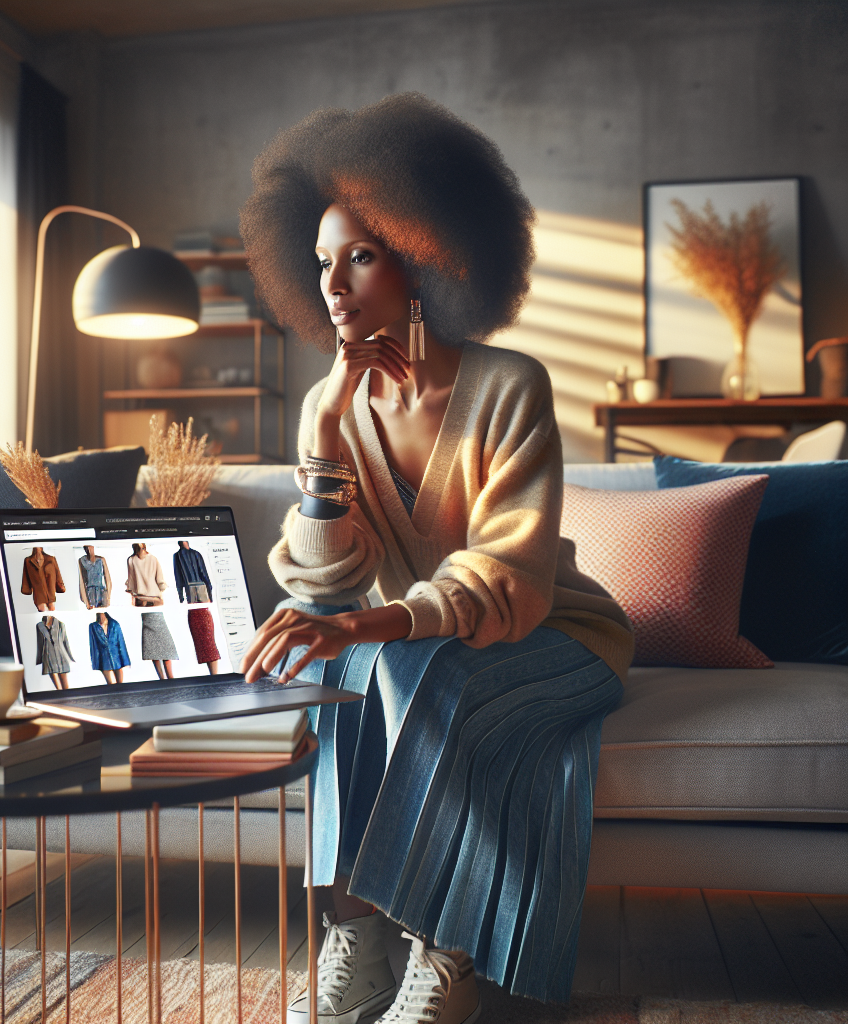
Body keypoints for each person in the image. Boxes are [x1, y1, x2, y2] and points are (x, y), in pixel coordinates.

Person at [238, 94, 634, 1023]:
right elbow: (321, 578)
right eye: (323, 261)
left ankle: (441, 945)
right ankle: (356, 931)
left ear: (429, 254)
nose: (334, 284)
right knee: (353, 668)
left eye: (362, 256)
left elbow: (506, 577)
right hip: (416, 643)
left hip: (556, 635)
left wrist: (367, 621)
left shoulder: (510, 386)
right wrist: (329, 434)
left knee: (422, 673)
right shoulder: (327, 408)